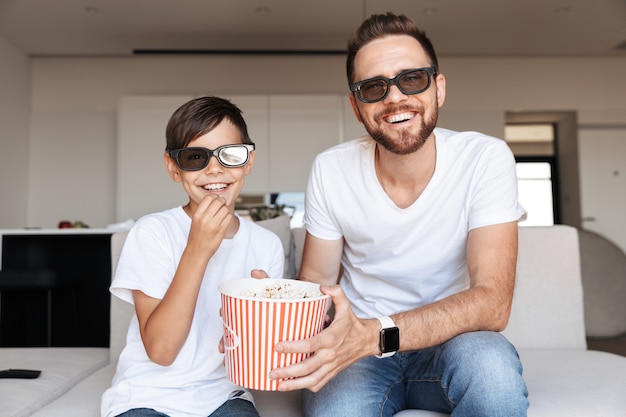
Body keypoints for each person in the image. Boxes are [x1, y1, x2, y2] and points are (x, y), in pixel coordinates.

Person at [269, 13, 530, 417]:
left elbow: (492, 303)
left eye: (412, 79)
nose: (394, 98)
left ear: (438, 88)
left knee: (493, 378)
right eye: (374, 87)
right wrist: (269, 308)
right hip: (357, 349)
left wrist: (376, 334)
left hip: (452, 341)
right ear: (357, 107)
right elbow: (317, 283)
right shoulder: (331, 169)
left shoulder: (485, 158)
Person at [101, 96, 284, 417]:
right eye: (195, 157)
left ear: (248, 162)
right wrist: (197, 251)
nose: (215, 168)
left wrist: (264, 321)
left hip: (225, 395)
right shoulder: (152, 232)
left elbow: (260, 355)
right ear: (174, 168)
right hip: (146, 395)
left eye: (230, 154)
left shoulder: (266, 244)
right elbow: (161, 350)